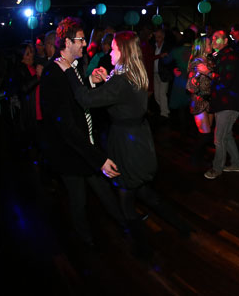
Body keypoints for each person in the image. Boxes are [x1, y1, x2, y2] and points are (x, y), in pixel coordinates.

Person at [56, 30, 192, 256]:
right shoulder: (134, 73)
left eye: (114, 49)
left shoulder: (121, 80)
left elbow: (85, 99)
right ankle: (182, 226)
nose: (110, 52)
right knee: (144, 193)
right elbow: (124, 96)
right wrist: (107, 80)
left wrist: (69, 71)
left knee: (127, 201)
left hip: (128, 146)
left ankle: (143, 251)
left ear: (124, 51)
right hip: (138, 139)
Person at [39, 17, 126, 247]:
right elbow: (65, 125)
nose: (85, 44)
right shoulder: (53, 73)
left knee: (102, 189)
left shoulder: (72, 67)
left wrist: (90, 82)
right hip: (69, 151)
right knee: (78, 199)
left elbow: (75, 97)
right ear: (67, 42)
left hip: (82, 147)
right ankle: (86, 242)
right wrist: (98, 158)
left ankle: (125, 223)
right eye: (80, 40)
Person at [204, 28, 239, 179]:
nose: (213, 41)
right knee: (226, 135)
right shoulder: (219, 56)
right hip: (223, 102)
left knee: (219, 138)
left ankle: (217, 168)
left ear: (226, 41)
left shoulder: (229, 57)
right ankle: (237, 163)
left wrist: (208, 73)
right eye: (212, 38)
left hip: (229, 103)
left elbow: (225, 80)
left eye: (217, 38)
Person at [187, 36, 215, 161]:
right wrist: (198, 74)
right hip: (199, 100)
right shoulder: (197, 62)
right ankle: (194, 159)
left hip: (209, 100)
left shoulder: (209, 60)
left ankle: (201, 157)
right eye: (209, 43)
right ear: (202, 46)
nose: (212, 45)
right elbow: (190, 86)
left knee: (207, 132)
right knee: (205, 133)